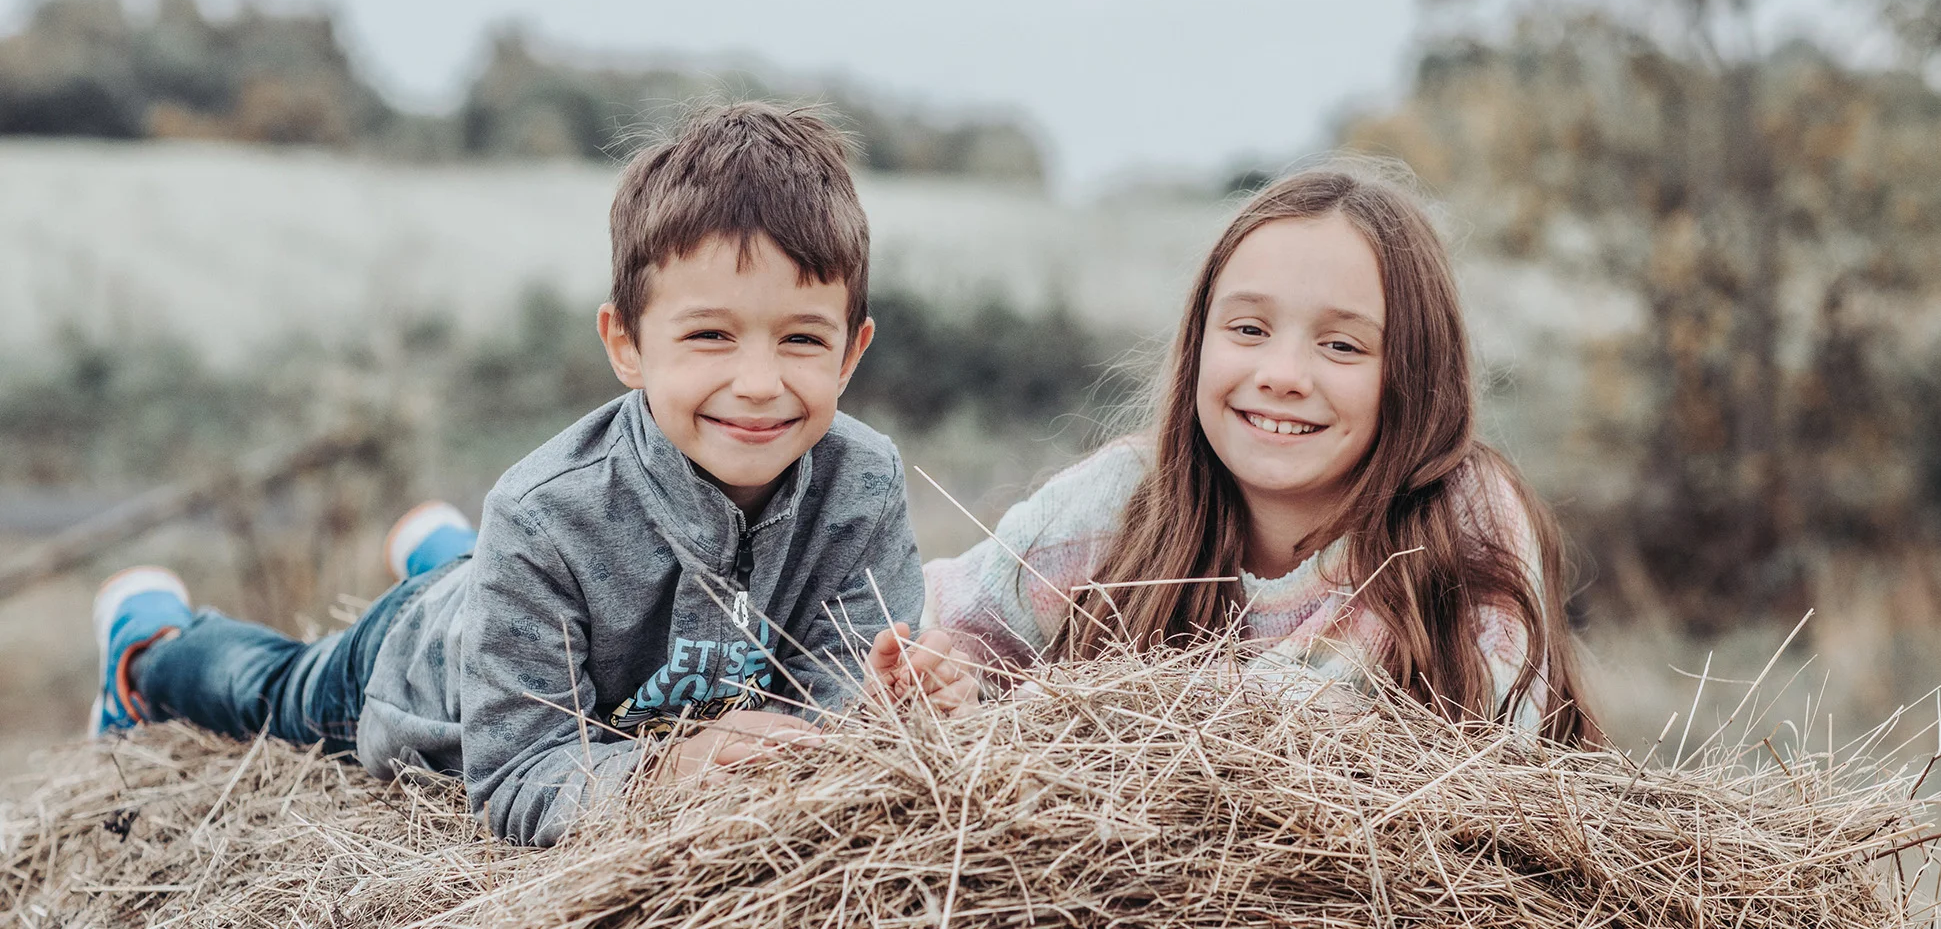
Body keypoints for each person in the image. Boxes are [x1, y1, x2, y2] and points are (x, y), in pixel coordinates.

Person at [87, 102, 928, 845]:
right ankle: (150, 644)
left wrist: (887, 709)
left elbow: (832, 706)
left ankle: (449, 552)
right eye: (710, 336)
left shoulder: (862, 484)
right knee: (273, 690)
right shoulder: (544, 514)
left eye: (802, 339)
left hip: (515, 600)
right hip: (423, 669)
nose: (757, 381)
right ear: (626, 344)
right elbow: (518, 775)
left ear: (852, 351)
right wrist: (666, 777)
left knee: (489, 578)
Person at [906, 162, 1598, 744]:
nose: (1283, 373)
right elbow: (939, 620)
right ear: (1199, 340)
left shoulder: (1462, 521)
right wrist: (940, 676)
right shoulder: (1123, 501)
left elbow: (1463, 755)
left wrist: (1083, 716)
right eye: (1249, 328)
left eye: (1342, 345)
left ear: (1415, 375)